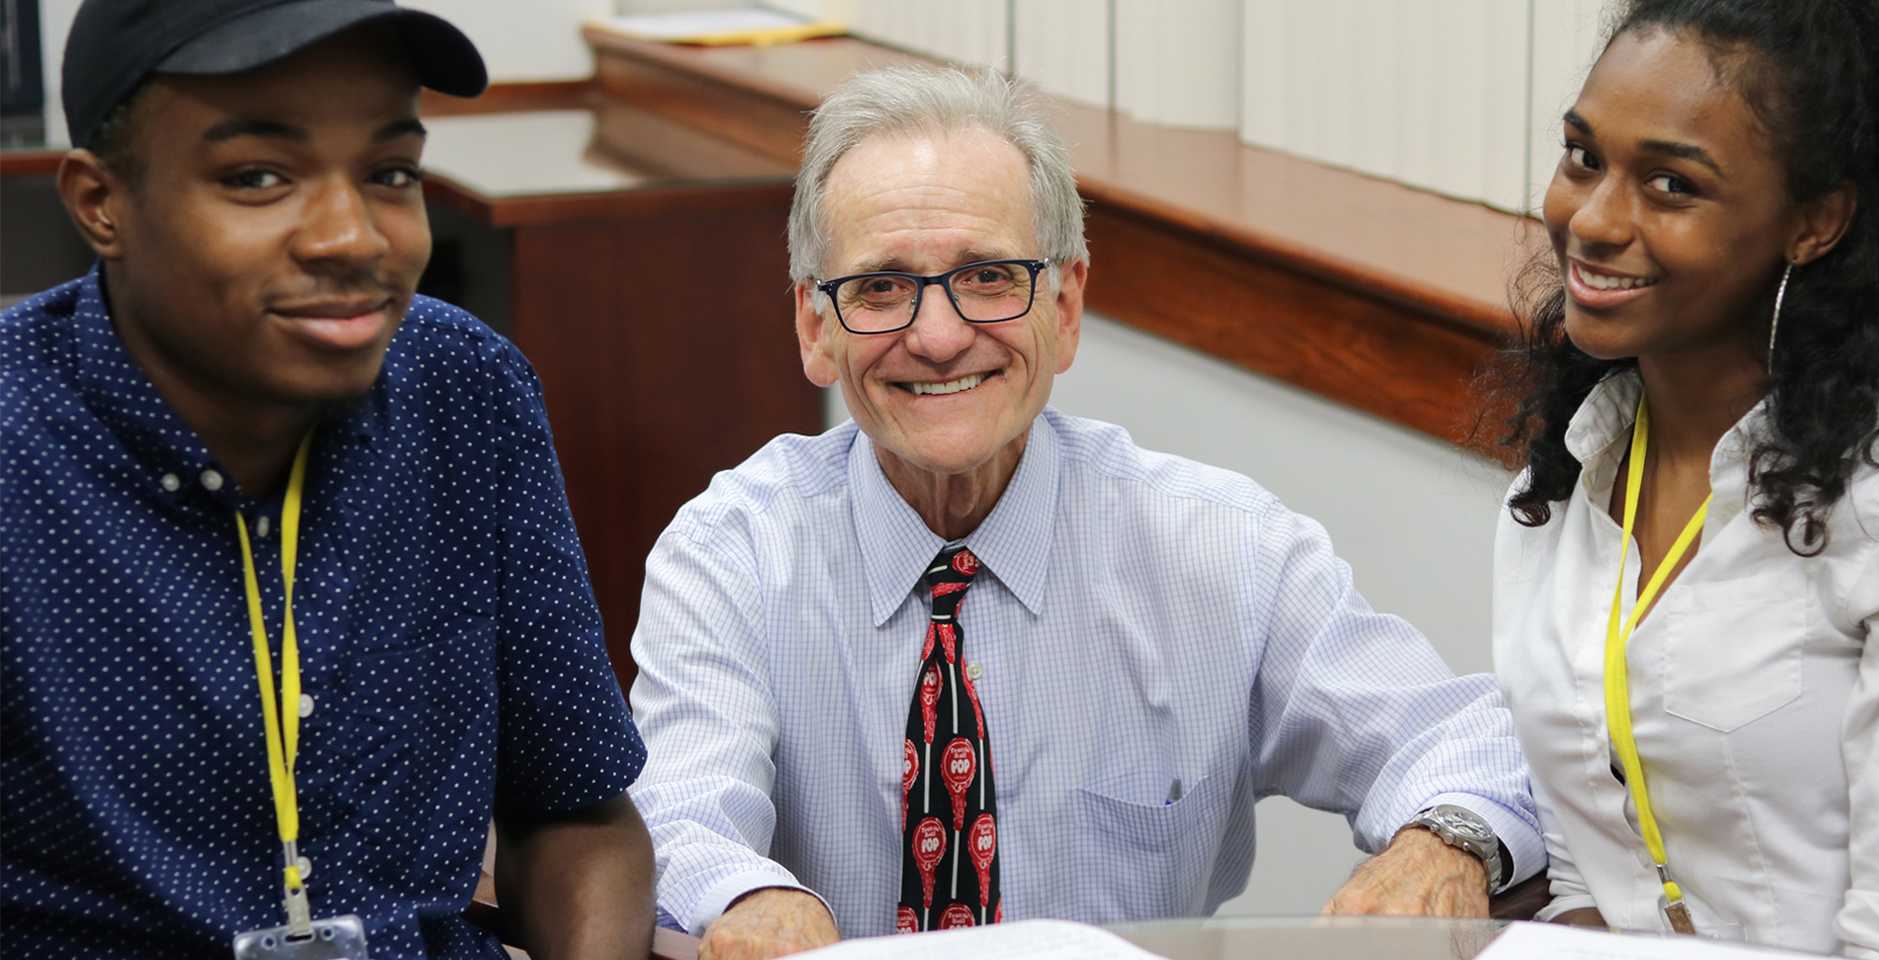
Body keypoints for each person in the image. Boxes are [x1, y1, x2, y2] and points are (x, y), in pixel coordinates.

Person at [628, 65, 1544, 958]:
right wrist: (752, 895)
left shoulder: (1222, 550)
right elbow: (677, 810)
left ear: (1065, 307)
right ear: (813, 328)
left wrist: (1446, 843)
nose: (938, 336)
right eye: (881, 287)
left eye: (989, 276)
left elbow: (1466, 742)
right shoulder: (733, 553)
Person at [0, 2, 655, 957]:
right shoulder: (19, 445)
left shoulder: (462, 392)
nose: (353, 237)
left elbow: (576, 815)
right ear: (102, 203)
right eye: (258, 177)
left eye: (391, 173)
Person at [1488, 0, 1879, 954]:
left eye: (1671, 185)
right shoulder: (1573, 464)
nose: (1594, 221)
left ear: (1814, 224)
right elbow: (1581, 857)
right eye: (1583, 158)